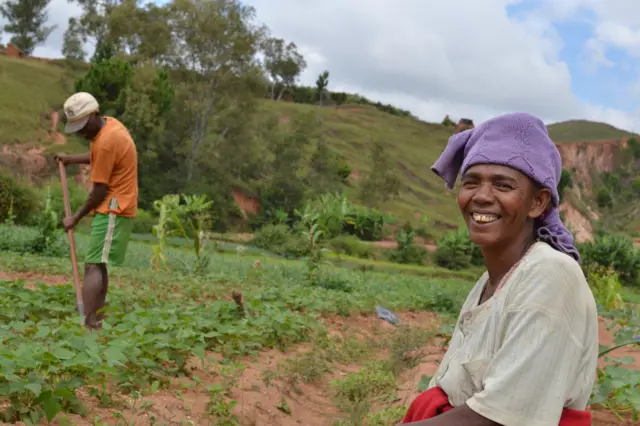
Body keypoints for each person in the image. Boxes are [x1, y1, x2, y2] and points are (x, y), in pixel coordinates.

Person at [401, 112, 598, 426]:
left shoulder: (550, 274)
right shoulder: (493, 280)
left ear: (538, 202)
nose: (481, 196)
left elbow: (499, 417)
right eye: (471, 182)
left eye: (503, 185)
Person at [54, 92, 138, 331]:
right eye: (76, 127)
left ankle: (88, 323)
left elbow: (98, 192)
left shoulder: (105, 140)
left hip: (113, 207)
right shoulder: (111, 126)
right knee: (98, 265)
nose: (81, 132)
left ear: (94, 114)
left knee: (93, 266)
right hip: (115, 205)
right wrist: (70, 158)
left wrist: (75, 218)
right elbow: (99, 156)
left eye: (82, 125)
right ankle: (94, 322)